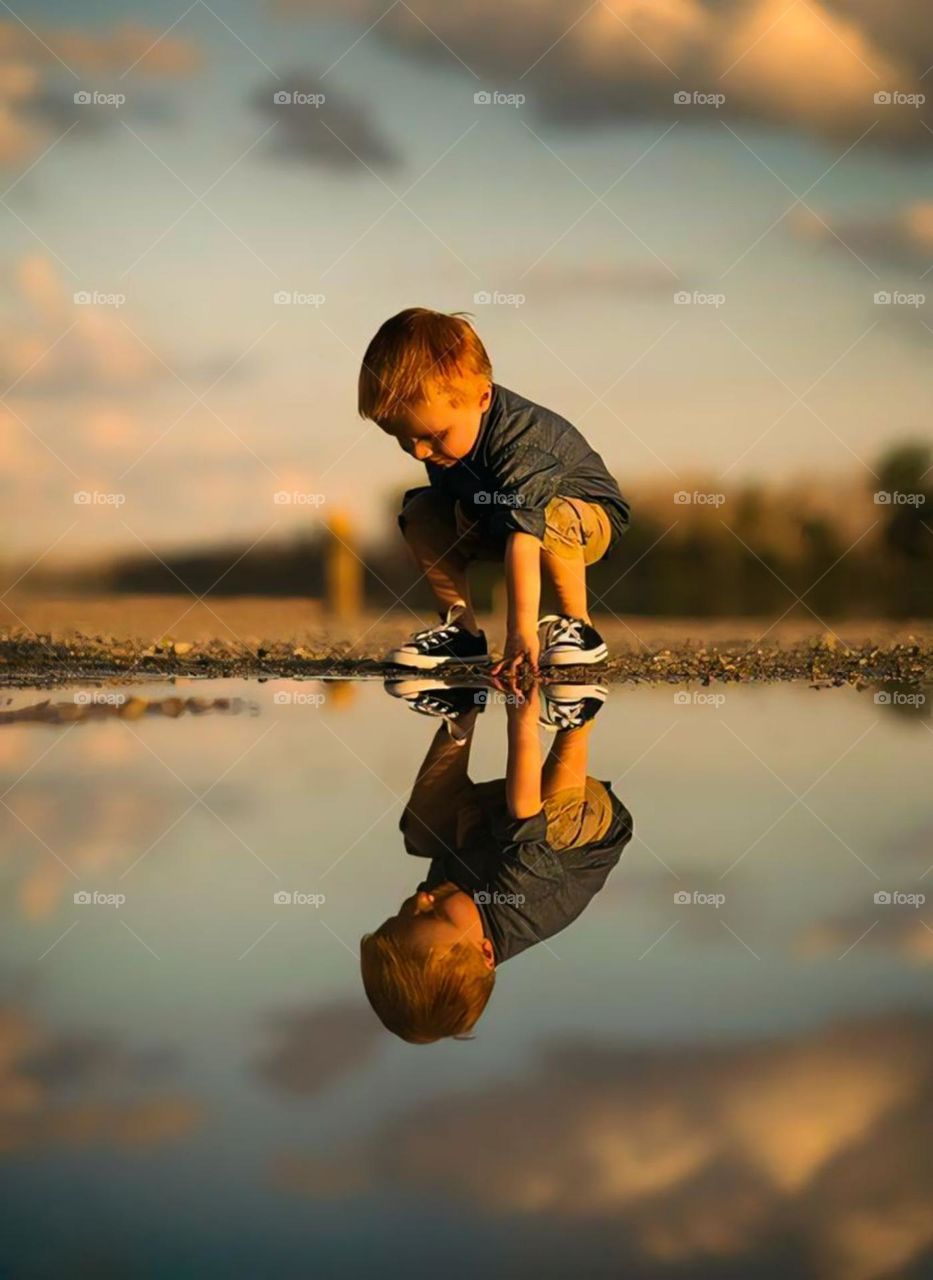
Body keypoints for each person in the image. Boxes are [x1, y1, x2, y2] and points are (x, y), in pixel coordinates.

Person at [357, 308, 630, 679]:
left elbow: (523, 535)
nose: (419, 452)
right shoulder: (448, 438)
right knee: (421, 511)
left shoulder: (520, 442)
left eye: (432, 437)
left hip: (585, 520)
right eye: (403, 439)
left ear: (482, 398)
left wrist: (520, 633)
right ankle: (462, 634)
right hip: (498, 520)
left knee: (549, 513)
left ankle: (578, 625)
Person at [359, 680, 633, 1043]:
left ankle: (461, 710)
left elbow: (461, 845)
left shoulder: (441, 896)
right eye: (433, 914)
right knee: (550, 823)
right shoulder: (522, 898)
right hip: (583, 824)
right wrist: (521, 712)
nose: (420, 898)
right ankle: (576, 716)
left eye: (404, 912)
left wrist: (469, 837)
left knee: (421, 834)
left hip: (499, 828)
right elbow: (524, 813)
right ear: (486, 952)